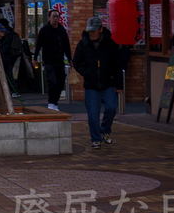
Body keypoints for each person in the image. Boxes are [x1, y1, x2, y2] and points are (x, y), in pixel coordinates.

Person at [72, 15, 127, 149]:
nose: (92, 34)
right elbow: (77, 62)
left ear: (100, 29)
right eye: (90, 31)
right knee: (93, 113)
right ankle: (96, 138)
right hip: (91, 84)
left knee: (111, 107)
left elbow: (117, 65)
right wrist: (86, 72)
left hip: (108, 82)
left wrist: (119, 85)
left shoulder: (110, 44)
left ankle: (105, 129)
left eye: (94, 31)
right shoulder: (83, 44)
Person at [33, 11, 72, 110]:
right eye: (54, 16)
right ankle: (51, 102)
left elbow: (66, 45)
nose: (56, 18)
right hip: (48, 60)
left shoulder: (61, 30)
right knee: (52, 81)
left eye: (57, 17)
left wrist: (70, 59)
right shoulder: (44, 30)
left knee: (60, 82)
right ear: (49, 18)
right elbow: (38, 45)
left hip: (60, 60)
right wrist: (35, 58)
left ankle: (55, 102)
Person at [0, 22, 22, 99]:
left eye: (4, 31)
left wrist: (9, 60)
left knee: (8, 75)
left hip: (7, 61)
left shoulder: (8, 38)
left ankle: (13, 90)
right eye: (1, 31)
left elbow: (10, 50)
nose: (3, 33)